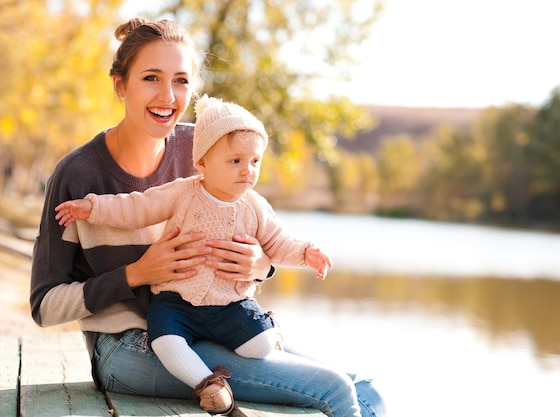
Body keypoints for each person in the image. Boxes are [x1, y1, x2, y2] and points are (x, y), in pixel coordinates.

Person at [30, 17, 387, 417]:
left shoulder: (205, 147)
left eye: (181, 80)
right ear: (120, 85)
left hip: (213, 322)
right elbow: (44, 306)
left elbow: (255, 226)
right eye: (151, 77)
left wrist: (261, 265)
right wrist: (134, 274)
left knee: (367, 391)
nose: (168, 95)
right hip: (130, 347)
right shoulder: (78, 175)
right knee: (335, 390)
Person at [54, 94, 333, 414]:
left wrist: (306, 253)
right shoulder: (184, 192)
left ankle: (266, 329)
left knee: (262, 347)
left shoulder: (255, 206)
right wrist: (93, 207)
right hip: (175, 301)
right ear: (202, 162)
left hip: (230, 304)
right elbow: (137, 207)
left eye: (255, 161)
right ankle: (209, 384)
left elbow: (277, 241)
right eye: (235, 161)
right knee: (164, 341)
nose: (247, 171)